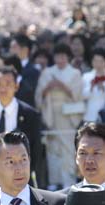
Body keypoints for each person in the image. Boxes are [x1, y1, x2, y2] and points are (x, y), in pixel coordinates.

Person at [0, 65, 43, 185]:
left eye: (8, 84)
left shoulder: (30, 114)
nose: (3, 88)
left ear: (16, 86)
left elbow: (36, 149)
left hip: (20, 174)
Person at [35, 44, 83, 189]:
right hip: (51, 113)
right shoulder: (47, 72)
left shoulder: (75, 73)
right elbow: (39, 96)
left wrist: (61, 85)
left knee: (68, 148)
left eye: (63, 56)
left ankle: (68, 180)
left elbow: (77, 94)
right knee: (52, 148)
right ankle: (54, 182)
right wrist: (48, 87)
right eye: (57, 56)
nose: (60, 59)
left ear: (68, 57)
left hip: (68, 115)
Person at [82, 48, 105, 123]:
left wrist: (103, 88)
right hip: (90, 115)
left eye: (101, 61)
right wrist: (91, 88)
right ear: (92, 62)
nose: (98, 64)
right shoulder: (86, 76)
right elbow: (82, 96)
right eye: (95, 61)